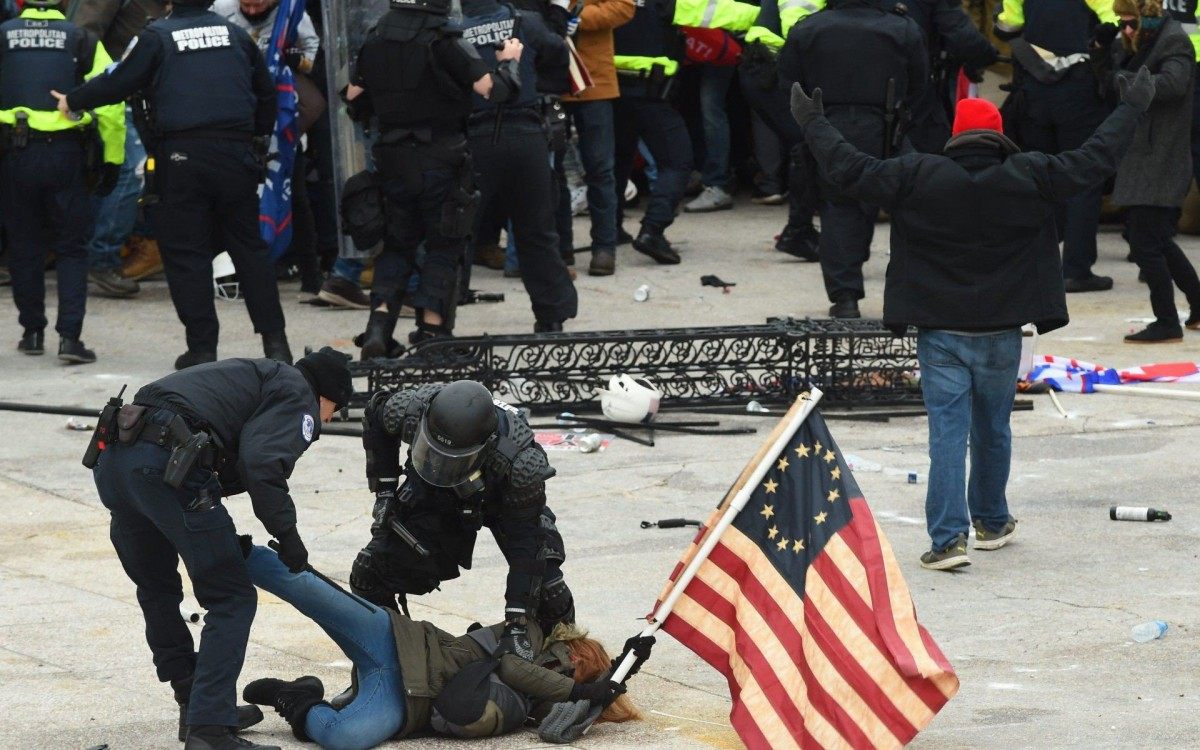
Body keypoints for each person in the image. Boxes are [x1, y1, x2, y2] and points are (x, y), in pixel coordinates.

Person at [789, 67, 1154, 569]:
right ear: (999, 135)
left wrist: (814, 123)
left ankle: (947, 541)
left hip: (940, 333)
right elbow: (1097, 156)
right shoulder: (1032, 173)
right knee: (993, 429)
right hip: (1002, 333)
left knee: (947, 435)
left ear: (955, 138)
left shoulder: (916, 174)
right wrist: (1130, 108)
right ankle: (991, 520)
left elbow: (849, 168)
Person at [90, 348, 354, 749]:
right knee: (230, 597)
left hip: (116, 464)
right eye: (336, 410)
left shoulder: (253, 375)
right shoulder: (297, 392)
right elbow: (261, 463)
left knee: (157, 589)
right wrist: (289, 537)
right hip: (166, 464)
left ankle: (195, 703)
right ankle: (210, 730)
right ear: (327, 396)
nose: (330, 420)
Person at [55, 0, 294, 370]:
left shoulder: (157, 37)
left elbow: (120, 81)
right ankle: (276, 344)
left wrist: (74, 99)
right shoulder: (234, 34)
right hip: (236, 154)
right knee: (249, 250)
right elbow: (266, 92)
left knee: (187, 254)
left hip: (182, 156)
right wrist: (257, 141)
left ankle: (202, 349)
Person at [238, 544, 637, 750]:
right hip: (399, 643)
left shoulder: (527, 707)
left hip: (406, 701)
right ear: (577, 652)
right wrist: (581, 690)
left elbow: (552, 718)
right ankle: (231, 546)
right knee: (308, 590)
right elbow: (515, 668)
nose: (568, 669)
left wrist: (590, 700)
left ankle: (294, 698)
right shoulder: (529, 632)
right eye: (575, 666)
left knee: (343, 738)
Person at [344, 0, 523, 354]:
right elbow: (497, 91)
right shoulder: (444, 38)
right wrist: (509, 61)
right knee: (444, 244)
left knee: (397, 244)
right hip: (440, 157)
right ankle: (431, 332)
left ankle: (378, 330)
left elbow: (353, 99)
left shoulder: (375, 36)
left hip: (392, 159)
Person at [350, 380, 575, 659]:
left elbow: (526, 544)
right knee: (368, 575)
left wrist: (517, 619)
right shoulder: (412, 409)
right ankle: (393, 666)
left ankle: (565, 674)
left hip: (502, 495)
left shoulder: (520, 463)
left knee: (551, 595)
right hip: (432, 489)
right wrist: (384, 490)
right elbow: (376, 416)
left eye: (452, 459)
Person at [778, 0, 927, 319]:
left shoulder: (807, 28)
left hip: (826, 127)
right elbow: (919, 85)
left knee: (839, 209)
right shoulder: (903, 28)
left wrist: (810, 126)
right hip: (884, 128)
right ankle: (909, 295)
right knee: (905, 205)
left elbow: (789, 86)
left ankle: (845, 298)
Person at [0, 0, 125, 364]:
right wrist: (112, 160)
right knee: (71, 247)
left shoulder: (3, 37)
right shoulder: (80, 39)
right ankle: (70, 339)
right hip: (67, 156)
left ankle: (32, 332)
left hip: (15, 155)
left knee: (25, 245)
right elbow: (111, 101)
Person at [459, 0, 579, 334]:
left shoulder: (452, 29)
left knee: (455, 233)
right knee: (537, 230)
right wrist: (538, 86)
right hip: (526, 133)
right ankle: (551, 317)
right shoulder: (525, 21)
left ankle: (438, 325)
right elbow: (558, 51)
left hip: (473, 137)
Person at [611, 0, 758, 265]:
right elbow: (717, 11)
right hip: (649, 93)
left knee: (618, 162)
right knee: (677, 162)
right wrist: (768, 16)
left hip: (610, 93)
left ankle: (609, 231)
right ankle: (652, 230)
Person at [996, 0, 1119, 293]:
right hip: (1078, 89)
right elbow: (1112, 20)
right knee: (1083, 176)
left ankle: (1034, 265)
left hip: (1035, 88)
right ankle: (1075, 270)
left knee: (1040, 176)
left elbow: (1007, 25)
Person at [1098, 0, 1200, 343]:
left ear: (1146, 18)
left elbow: (1174, 84)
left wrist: (1126, 77)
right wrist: (1109, 54)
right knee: (1157, 241)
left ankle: (1167, 321)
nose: (1124, 29)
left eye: (1129, 22)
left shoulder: (1172, 40)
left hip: (1161, 157)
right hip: (1147, 156)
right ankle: (1198, 306)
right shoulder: (1143, 43)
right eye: (1121, 23)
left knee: (1144, 244)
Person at [211, 0, 326, 303]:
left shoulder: (291, 12)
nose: (251, 10)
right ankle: (233, 270)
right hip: (235, 112)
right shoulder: (221, 10)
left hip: (282, 120)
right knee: (231, 198)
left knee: (295, 197)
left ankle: (311, 274)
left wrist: (289, 58)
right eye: (245, 4)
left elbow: (312, 55)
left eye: (258, 3)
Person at [71, 0, 170, 299]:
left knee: (141, 173)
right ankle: (102, 259)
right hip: (117, 95)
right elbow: (81, 38)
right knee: (130, 173)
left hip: (147, 93)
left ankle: (135, 244)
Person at [739, 0, 823, 261]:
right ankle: (798, 232)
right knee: (806, 145)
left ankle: (800, 229)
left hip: (766, 69)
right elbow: (800, 28)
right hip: (770, 71)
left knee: (805, 144)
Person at [559, 0, 635, 276]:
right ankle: (561, 248)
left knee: (600, 169)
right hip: (551, 77)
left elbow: (624, 7)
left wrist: (577, 17)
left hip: (594, 82)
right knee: (552, 172)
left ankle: (604, 248)